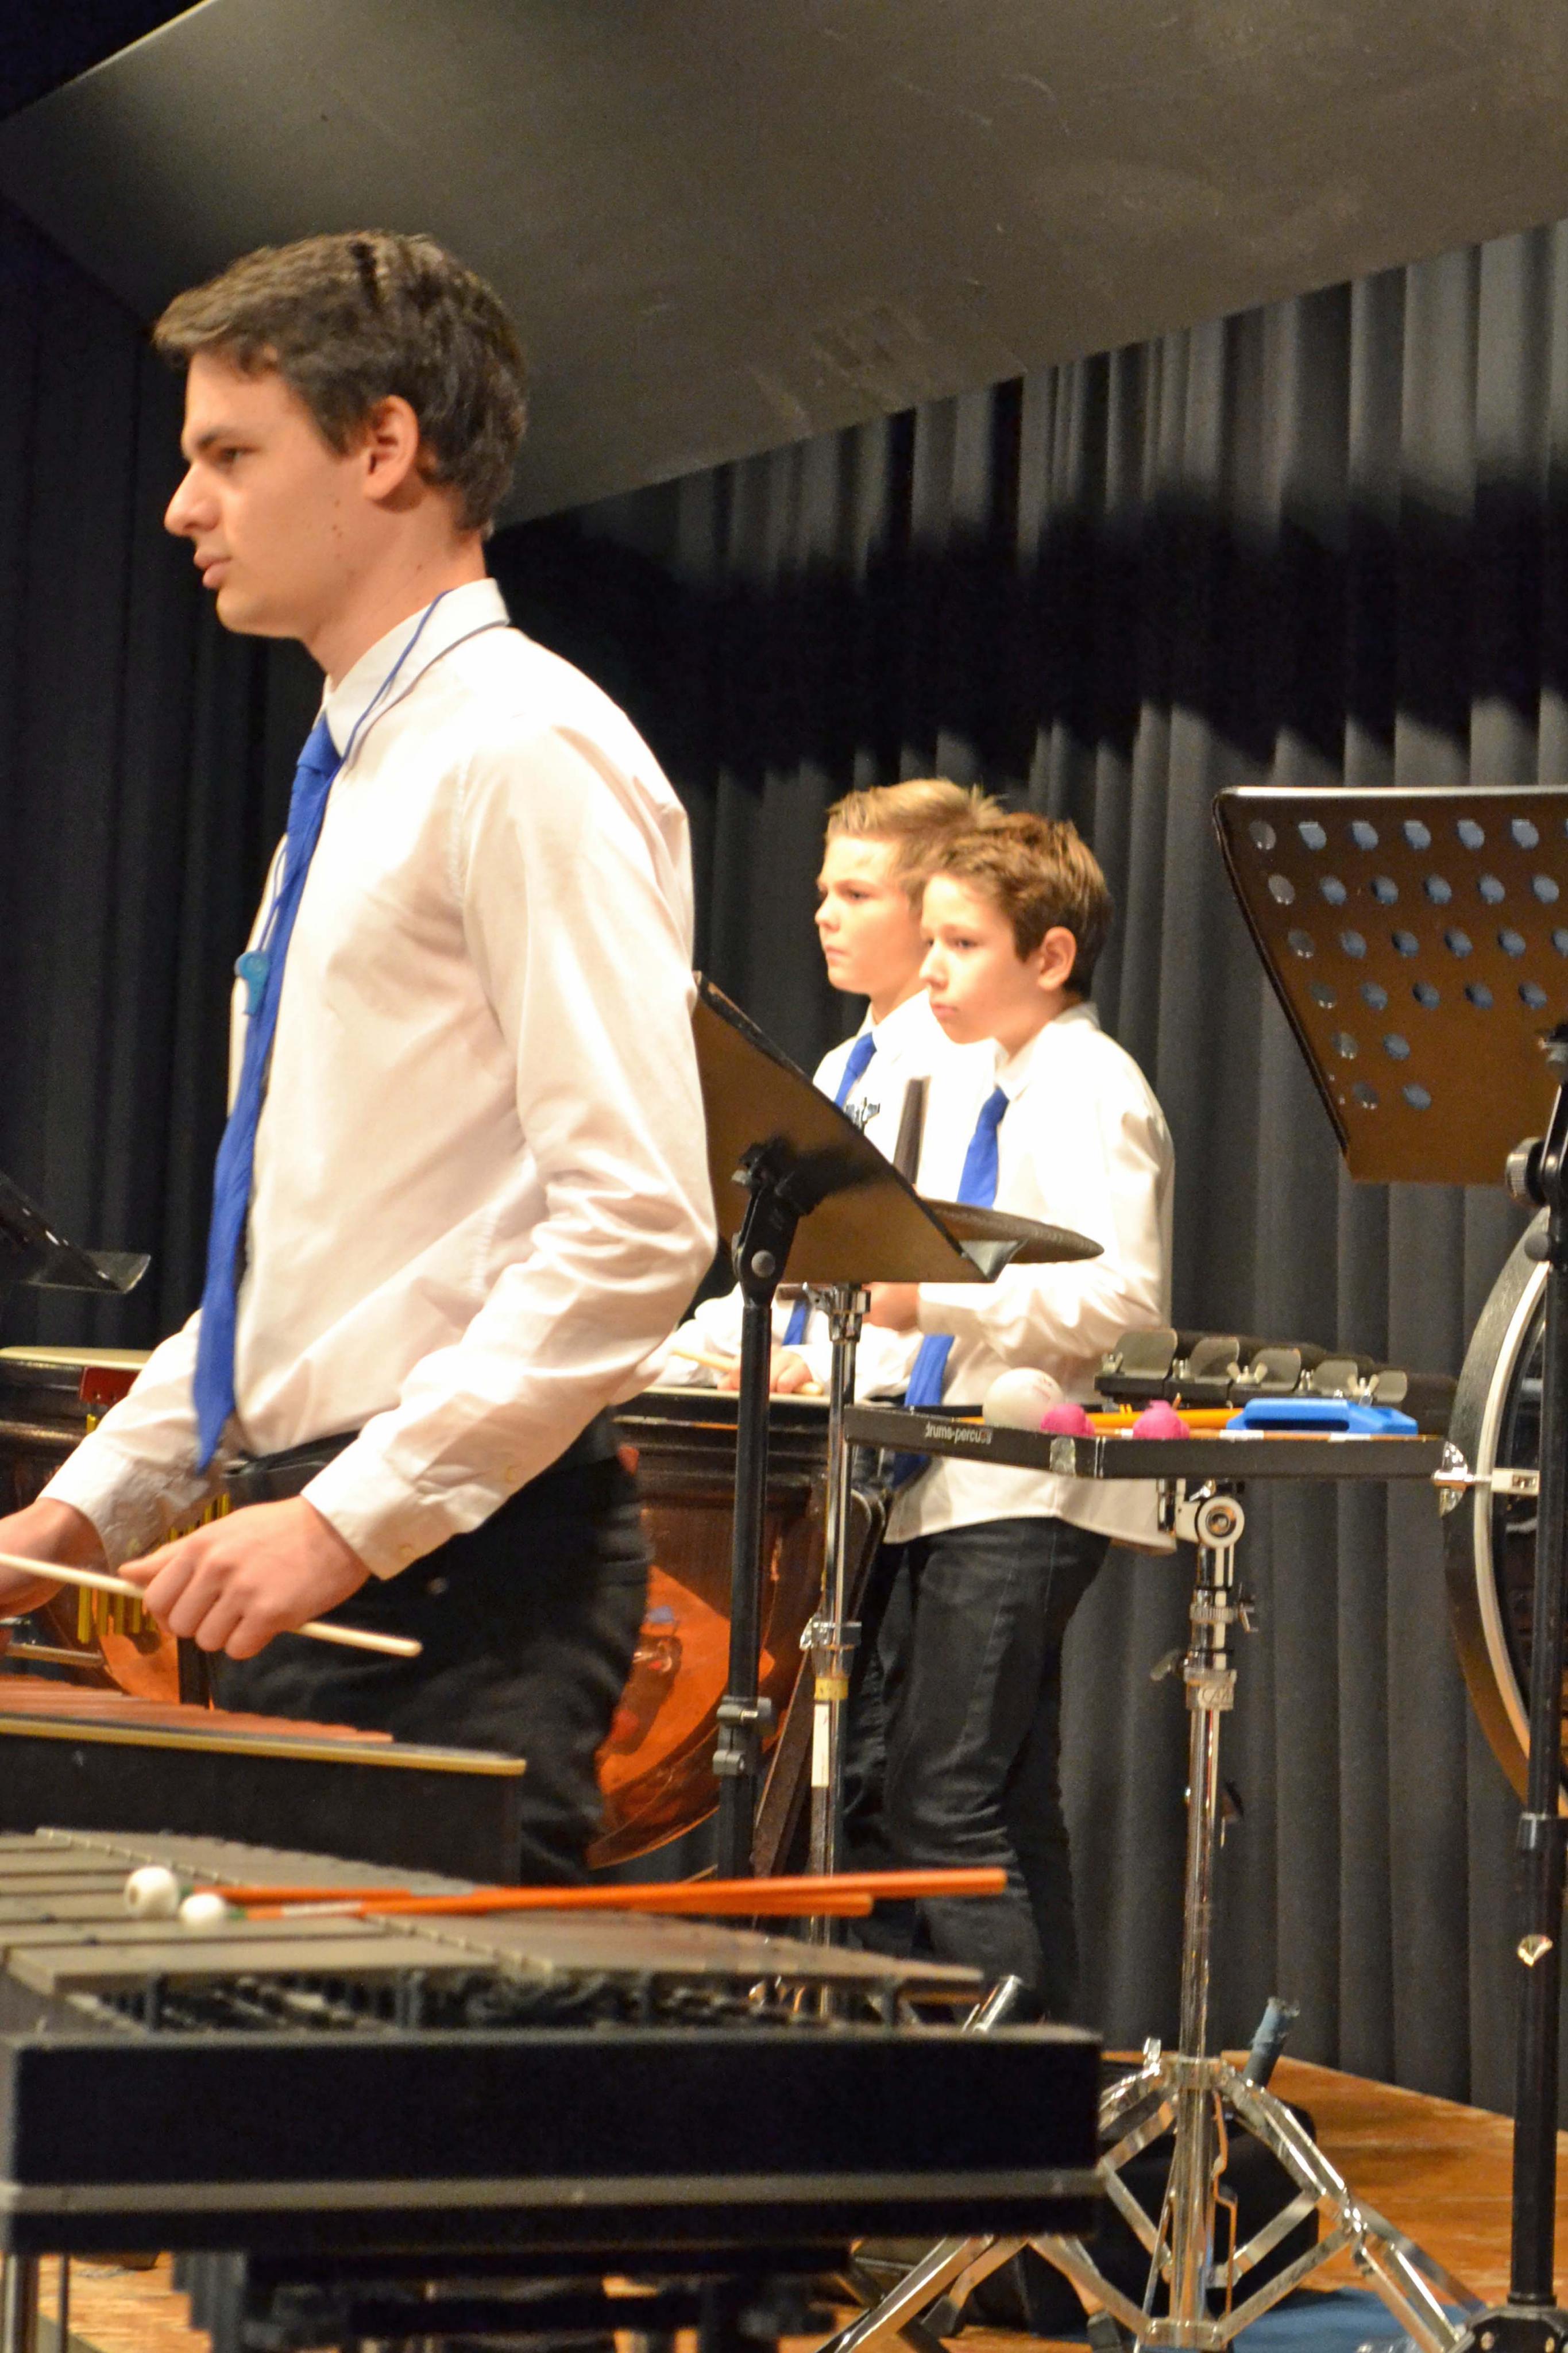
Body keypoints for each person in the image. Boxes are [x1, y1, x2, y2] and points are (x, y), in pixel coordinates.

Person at [0, 231, 716, 1881]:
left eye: (229, 456)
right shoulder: (361, 766)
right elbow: (311, 1271)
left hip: (458, 1579)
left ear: (384, 446)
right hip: (338, 1538)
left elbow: (639, 1225)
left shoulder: (523, 749)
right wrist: (76, 1514)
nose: (183, 507)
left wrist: (346, 1518)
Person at [849, 811, 1174, 2013]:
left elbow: (1125, 1298)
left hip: (1025, 1490)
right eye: (930, 941)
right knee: (1006, 1799)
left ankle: (1007, 2086)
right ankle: (1049, 2077)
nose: (930, 968)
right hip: (959, 1483)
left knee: (942, 1795)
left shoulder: (1091, 1086)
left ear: (1050, 955)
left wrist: (927, 1296)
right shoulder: (995, 1082)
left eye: (962, 944)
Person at [662, 777, 990, 1395]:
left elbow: (942, 1295)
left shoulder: (968, 1066)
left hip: (886, 1416)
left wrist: (824, 1365)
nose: (824, 914)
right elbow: (786, 1277)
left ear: (932, 914)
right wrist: (663, 1357)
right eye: (824, 892)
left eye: (856, 894)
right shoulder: (840, 1067)